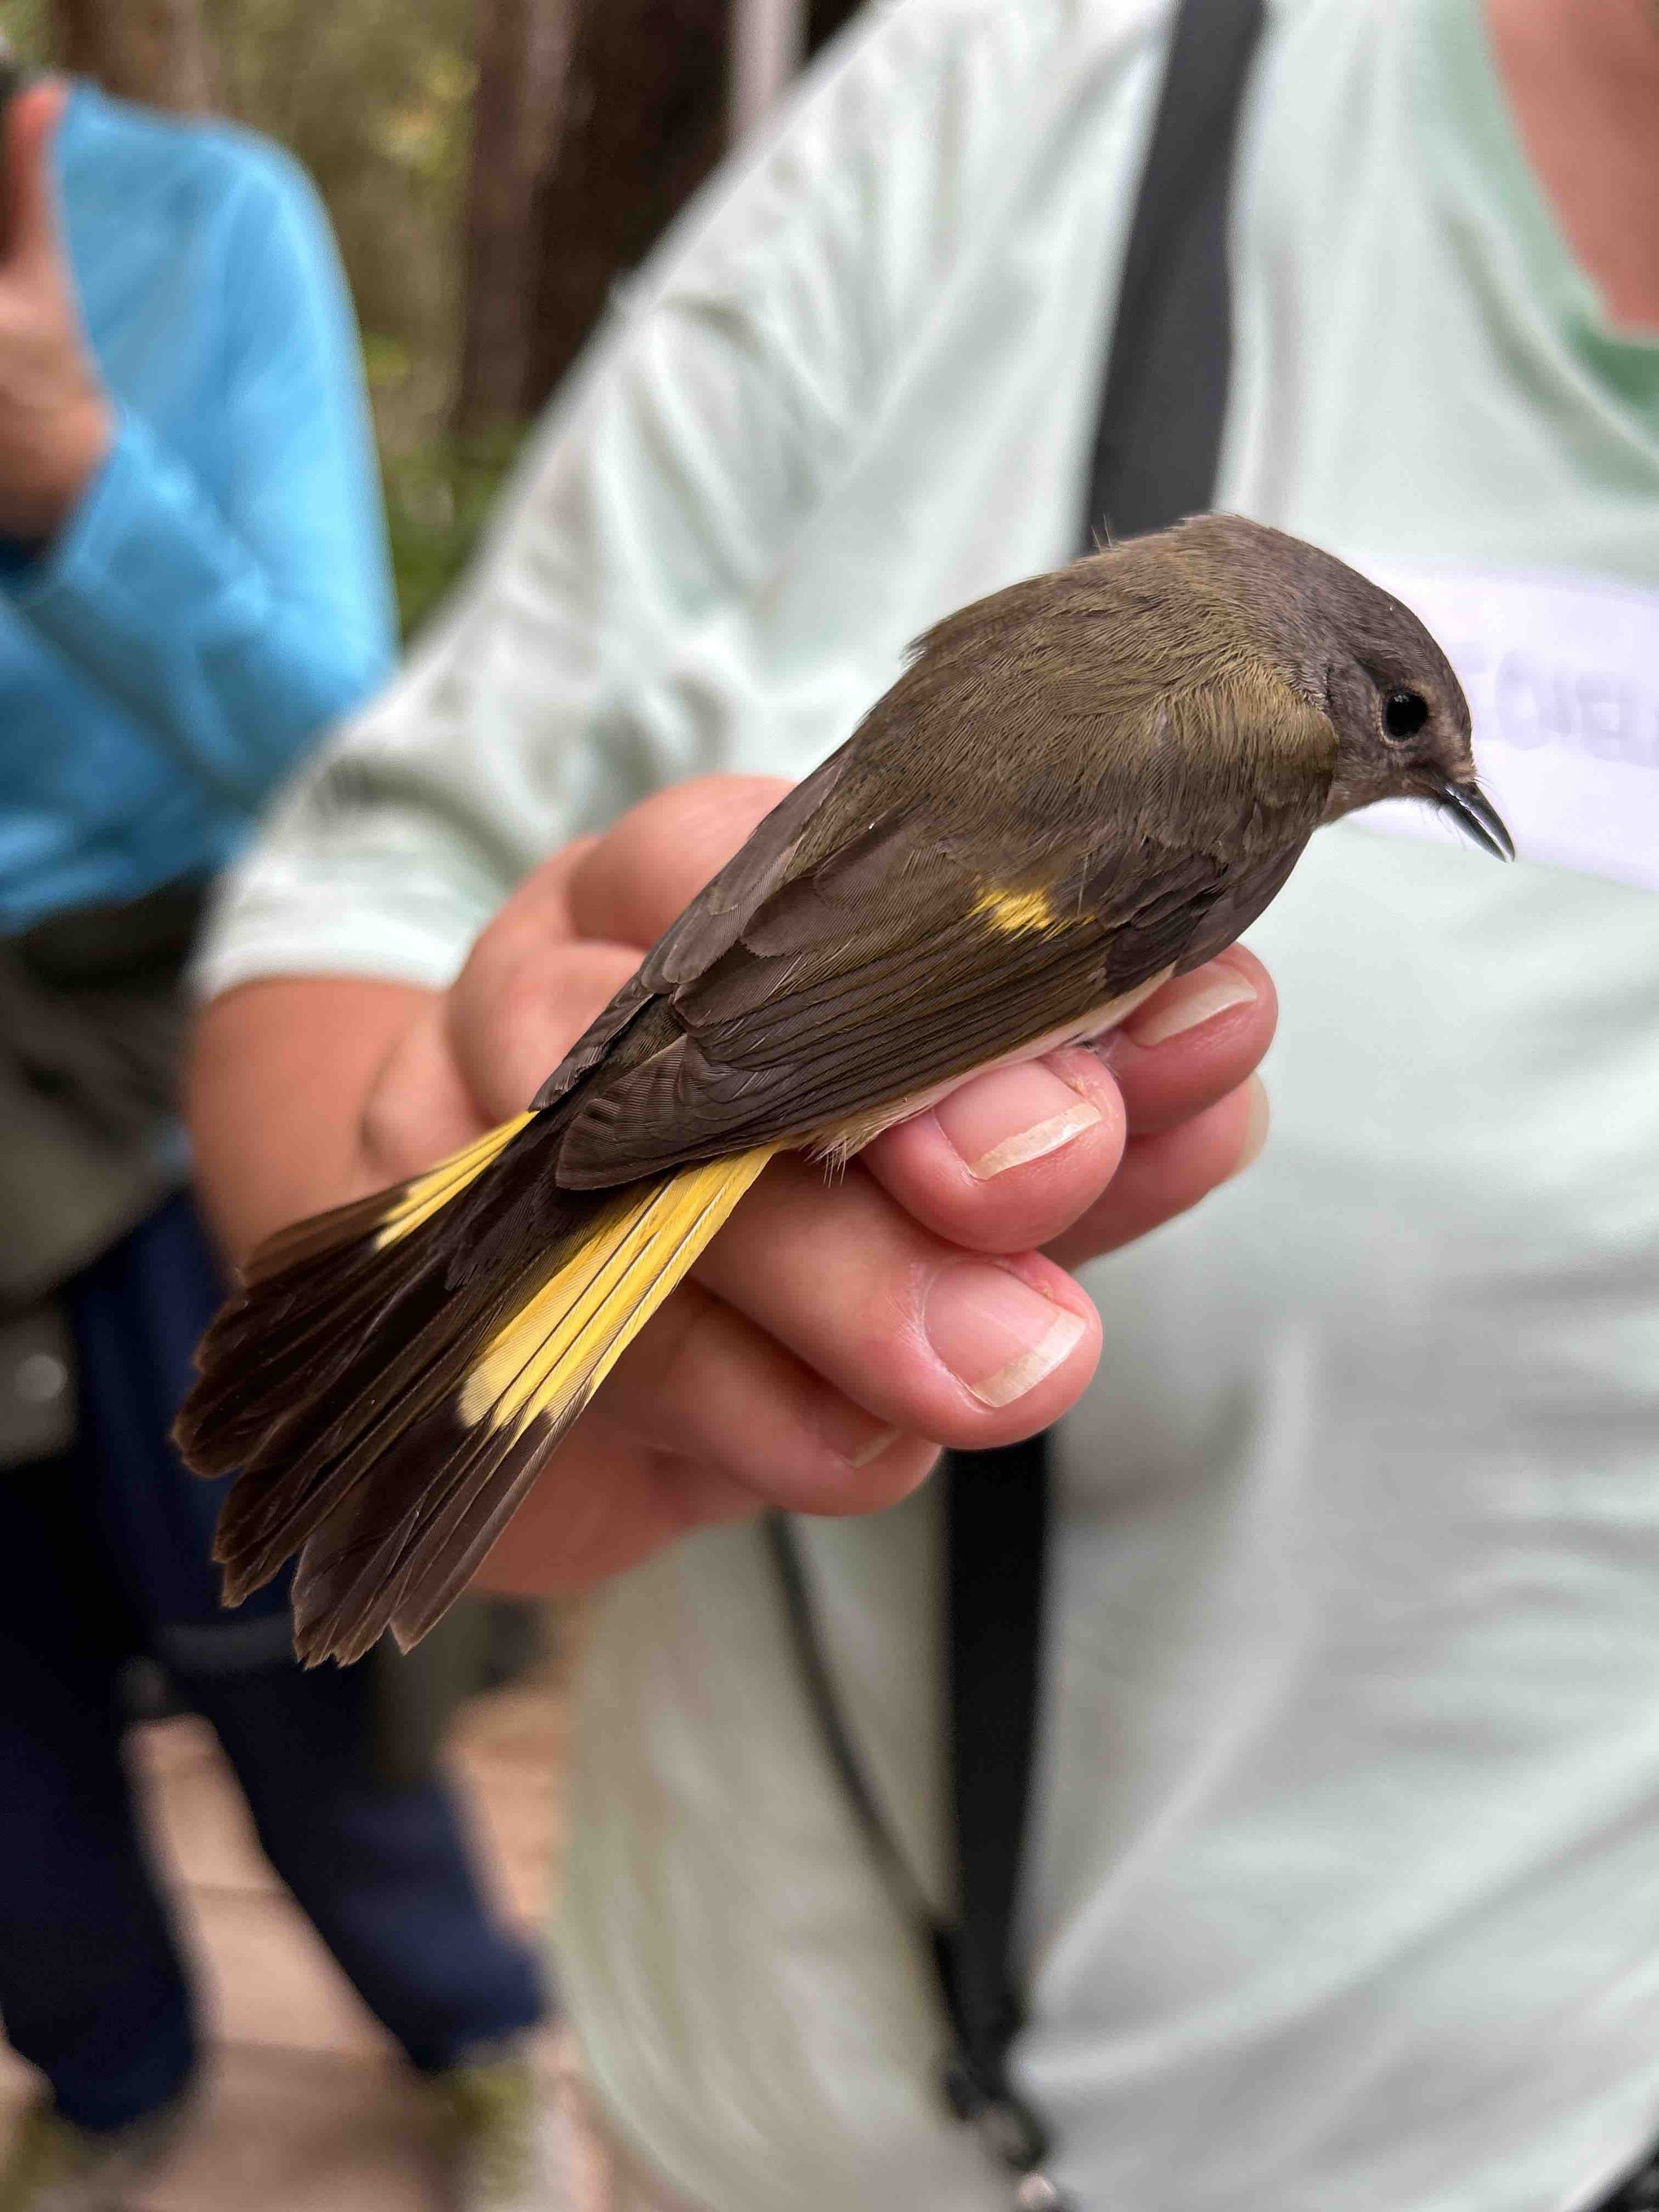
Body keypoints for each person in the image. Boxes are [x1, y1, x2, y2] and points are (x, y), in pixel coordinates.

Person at [186, 0, 1659, 2206]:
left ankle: (469, 1280)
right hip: (781, 2106)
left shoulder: (1169, 626)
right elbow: (931, 951)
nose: (1390, 778)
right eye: (1395, 734)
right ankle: (474, 1308)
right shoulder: (1032, 123)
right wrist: (589, 1116)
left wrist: (655, 1070)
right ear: (1318, 687)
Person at [0, 68, 553, 2212]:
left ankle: (470, 2027)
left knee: (297, 1635)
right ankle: (116, 2074)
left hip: (149, 1076)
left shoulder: (201, 222)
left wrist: (73, 489)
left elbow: (350, 743)